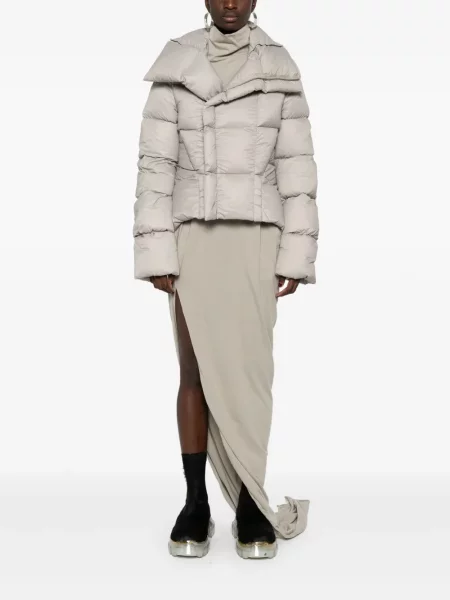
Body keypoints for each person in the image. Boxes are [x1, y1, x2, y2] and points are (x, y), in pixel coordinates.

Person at [133, 0, 318, 559]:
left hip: (257, 241)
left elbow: (297, 169)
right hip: (193, 240)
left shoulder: (279, 67)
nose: (230, 3)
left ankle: (250, 504)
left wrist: (295, 256)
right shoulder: (177, 64)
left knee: (250, 376)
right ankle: (195, 504)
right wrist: (156, 251)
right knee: (194, 372)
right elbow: (155, 167)